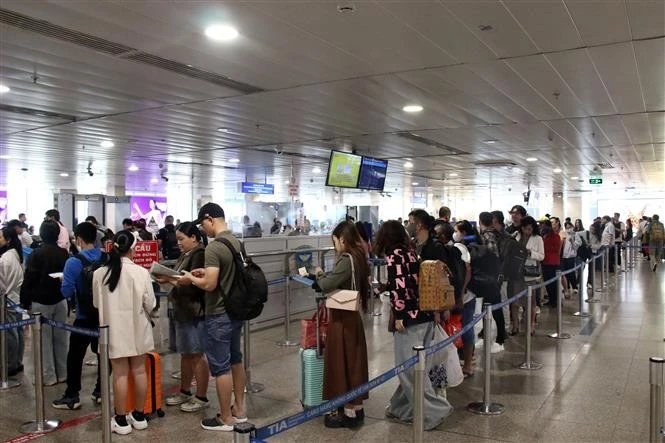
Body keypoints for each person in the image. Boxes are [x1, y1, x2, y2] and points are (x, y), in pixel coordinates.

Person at [375, 220, 452, 430]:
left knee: (408, 371)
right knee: (414, 369)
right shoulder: (411, 252)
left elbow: (400, 287)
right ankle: (401, 409)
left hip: (409, 320)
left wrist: (400, 316)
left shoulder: (394, 255)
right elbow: (411, 282)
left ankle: (436, 411)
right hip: (424, 314)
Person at [184, 203, 247, 432]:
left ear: (210, 219)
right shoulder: (236, 242)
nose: (203, 229)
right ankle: (239, 410)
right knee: (236, 360)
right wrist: (204, 274)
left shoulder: (213, 247)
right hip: (235, 311)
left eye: (203, 224)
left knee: (220, 367)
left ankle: (225, 418)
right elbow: (224, 275)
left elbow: (210, 284)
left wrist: (191, 278)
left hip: (219, 313)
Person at [93, 230, 156, 435]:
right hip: (138, 328)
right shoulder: (141, 273)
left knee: (119, 373)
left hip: (112, 330)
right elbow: (151, 303)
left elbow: (96, 303)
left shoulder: (100, 273)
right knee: (139, 371)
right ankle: (138, 415)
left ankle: (120, 420)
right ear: (133, 249)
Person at [313, 221, 370, 428]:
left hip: (342, 319)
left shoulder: (346, 259)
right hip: (352, 317)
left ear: (342, 239)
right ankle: (355, 408)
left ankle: (347, 413)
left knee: (340, 363)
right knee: (353, 363)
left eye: (335, 241)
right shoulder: (359, 256)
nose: (335, 245)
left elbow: (327, 284)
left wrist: (319, 273)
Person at [52, 222, 106, 410]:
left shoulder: (73, 262)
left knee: (75, 356)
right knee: (103, 354)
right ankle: (101, 391)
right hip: (104, 317)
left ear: (79, 239)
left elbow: (66, 292)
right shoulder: (108, 258)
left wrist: (65, 281)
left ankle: (72, 395)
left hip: (84, 317)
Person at [160, 222, 210, 413]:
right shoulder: (186, 254)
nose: (178, 243)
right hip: (181, 310)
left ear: (194, 238)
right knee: (186, 353)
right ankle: (185, 390)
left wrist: (169, 279)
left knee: (196, 354)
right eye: (177, 239)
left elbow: (193, 282)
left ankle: (202, 395)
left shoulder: (199, 255)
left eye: (181, 239)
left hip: (194, 311)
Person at [19, 220, 69, 386]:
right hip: (60, 299)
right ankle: (63, 373)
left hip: (41, 302)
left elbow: (29, 280)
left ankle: (48, 376)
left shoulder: (36, 254)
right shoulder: (64, 253)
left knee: (43, 341)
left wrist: (24, 302)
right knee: (61, 338)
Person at [475, 212, 507, 352]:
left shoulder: (488, 236)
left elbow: (493, 257)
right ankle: (485, 336)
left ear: (480, 221)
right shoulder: (490, 234)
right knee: (487, 307)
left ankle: (500, 339)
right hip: (490, 277)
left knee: (495, 308)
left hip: (491, 278)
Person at [450, 221, 478, 374]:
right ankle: (463, 363)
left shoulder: (460, 247)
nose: (455, 233)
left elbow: (467, 271)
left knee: (466, 329)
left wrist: (460, 294)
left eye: (457, 230)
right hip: (466, 295)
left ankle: (468, 365)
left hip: (465, 296)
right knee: (463, 328)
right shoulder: (459, 246)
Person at [0, 225, 24, 377]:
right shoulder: (15, 254)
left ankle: (11, 365)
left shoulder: (4, 260)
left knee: (11, 333)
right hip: (16, 297)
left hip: (8, 300)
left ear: (8, 240)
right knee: (18, 331)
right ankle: (17, 361)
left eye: (1, 237)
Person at [513, 217, 544, 334]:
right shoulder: (516, 236)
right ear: (522, 228)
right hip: (516, 272)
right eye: (525, 229)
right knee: (515, 301)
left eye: (530, 229)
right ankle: (515, 326)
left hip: (530, 273)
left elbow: (542, 256)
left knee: (530, 302)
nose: (527, 231)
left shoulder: (538, 239)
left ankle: (531, 326)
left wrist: (531, 253)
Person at [541, 220, 562, 307]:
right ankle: (551, 299)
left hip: (552, 262)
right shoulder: (544, 236)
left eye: (543, 225)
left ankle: (556, 300)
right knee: (548, 283)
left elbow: (555, 249)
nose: (542, 227)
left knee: (553, 283)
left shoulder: (555, 236)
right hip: (545, 261)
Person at [560, 221, 581, 297]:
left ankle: (575, 286)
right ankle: (567, 287)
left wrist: (572, 241)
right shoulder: (563, 234)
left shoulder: (576, 235)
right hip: (563, 256)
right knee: (564, 273)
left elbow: (576, 246)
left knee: (571, 272)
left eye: (569, 227)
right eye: (567, 227)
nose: (568, 229)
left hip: (571, 257)